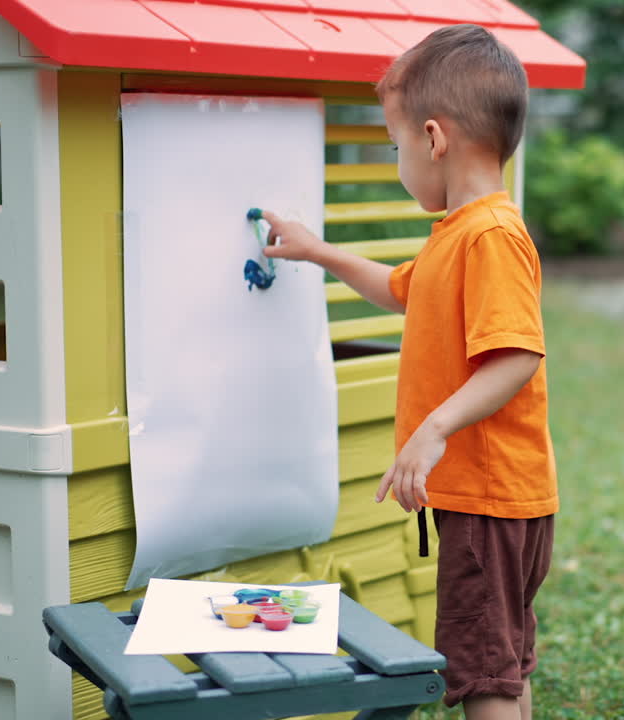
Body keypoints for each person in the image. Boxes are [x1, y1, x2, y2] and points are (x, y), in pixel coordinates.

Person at [258, 23, 557, 720]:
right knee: (503, 661)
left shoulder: (490, 236)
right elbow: (401, 290)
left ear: (433, 138)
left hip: (488, 500)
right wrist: (318, 251)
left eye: (395, 148)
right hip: (497, 501)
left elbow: (517, 355)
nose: (398, 163)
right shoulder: (460, 234)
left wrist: (434, 428)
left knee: (483, 676)